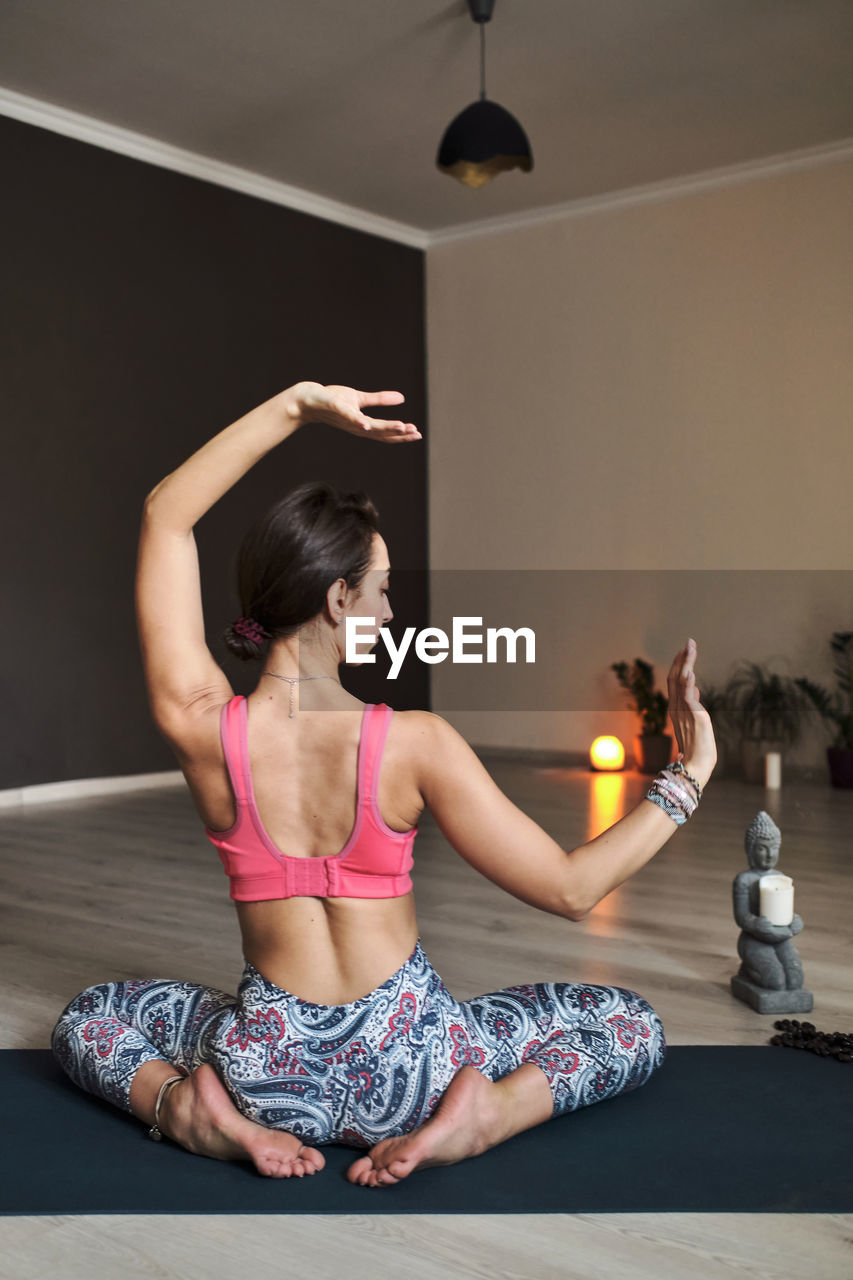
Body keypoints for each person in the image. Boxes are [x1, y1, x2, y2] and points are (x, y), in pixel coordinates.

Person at [50, 381, 717, 1189]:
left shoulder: (202, 728)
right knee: (623, 1020)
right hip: (418, 1072)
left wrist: (294, 407)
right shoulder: (414, 743)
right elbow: (573, 890)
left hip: (265, 1078)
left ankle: (191, 1112)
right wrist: (686, 778)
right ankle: (485, 1117)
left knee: (88, 1015)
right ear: (338, 598)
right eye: (383, 587)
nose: (391, 611)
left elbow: (166, 513)